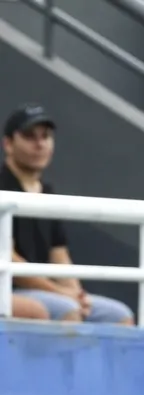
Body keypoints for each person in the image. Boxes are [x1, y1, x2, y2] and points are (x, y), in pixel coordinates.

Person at [2, 106, 134, 325]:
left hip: (44, 291)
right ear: (8, 144)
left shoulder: (48, 192)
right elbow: (8, 259)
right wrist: (61, 294)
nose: (39, 144)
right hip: (9, 289)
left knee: (119, 315)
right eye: (29, 136)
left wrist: (76, 293)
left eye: (45, 136)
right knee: (67, 310)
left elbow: (59, 254)